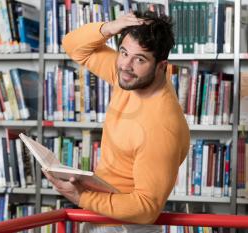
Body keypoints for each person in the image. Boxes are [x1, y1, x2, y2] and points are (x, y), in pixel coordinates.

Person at [43, 10, 190, 233]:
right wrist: (110, 27)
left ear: (161, 66)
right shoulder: (129, 77)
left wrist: (81, 196)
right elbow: (73, 45)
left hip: (126, 228)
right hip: (102, 218)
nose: (125, 65)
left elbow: (146, 207)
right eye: (123, 52)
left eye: (139, 59)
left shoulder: (161, 125)